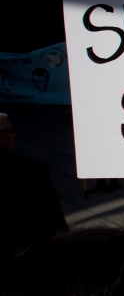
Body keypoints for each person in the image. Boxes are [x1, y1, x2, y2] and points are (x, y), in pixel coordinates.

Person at [0, 112, 66, 264]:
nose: (14, 135)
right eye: (11, 131)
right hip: (26, 262)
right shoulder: (30, 173)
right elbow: (55, 226)